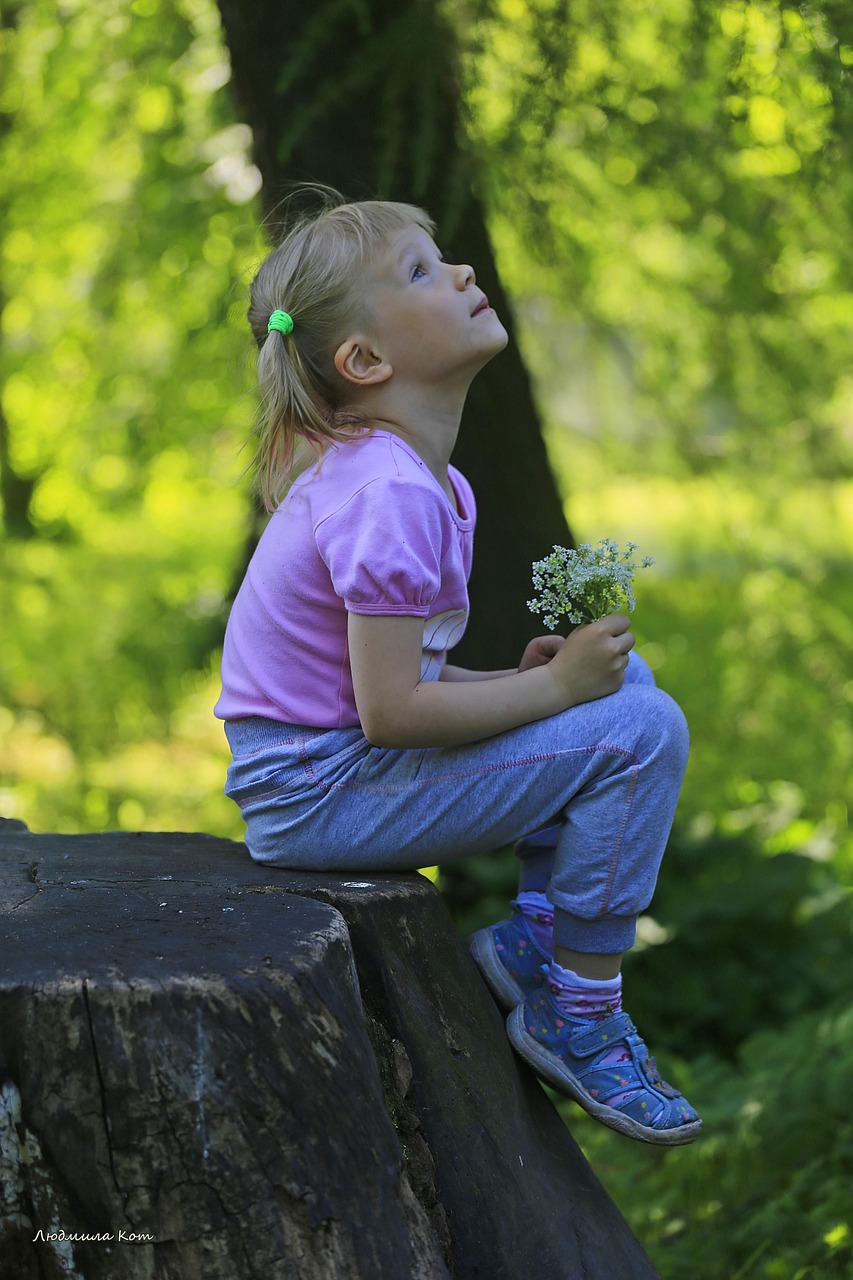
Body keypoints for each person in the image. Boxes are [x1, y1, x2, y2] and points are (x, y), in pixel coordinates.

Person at [214, 191, 701, 1146]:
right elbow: (389, 714)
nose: (462, 272)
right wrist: (549, 695)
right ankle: (582, 1013)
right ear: (366, 361)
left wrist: (517, 686)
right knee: (643, 732)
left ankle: (535, 944)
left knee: (628, 696)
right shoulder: (386, 491)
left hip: (336, 769)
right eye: (420, 273)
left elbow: (397, 685)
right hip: (315, 794)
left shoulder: (421, 479)